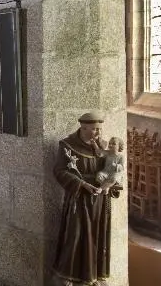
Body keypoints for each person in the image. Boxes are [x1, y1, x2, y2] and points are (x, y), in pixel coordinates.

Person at [53, 112, 119, 285]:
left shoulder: (103, 147)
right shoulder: (67, 145)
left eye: (98, 129)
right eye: (93, 130)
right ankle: (69, 275)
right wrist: (82, 184)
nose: (97, 133)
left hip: (99, 200)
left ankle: (94, 276)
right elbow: (60, 171)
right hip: (79, 198)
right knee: (76, 235)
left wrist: (111, 184)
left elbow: (112, 170)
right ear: (83, 128)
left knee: (97, 236)